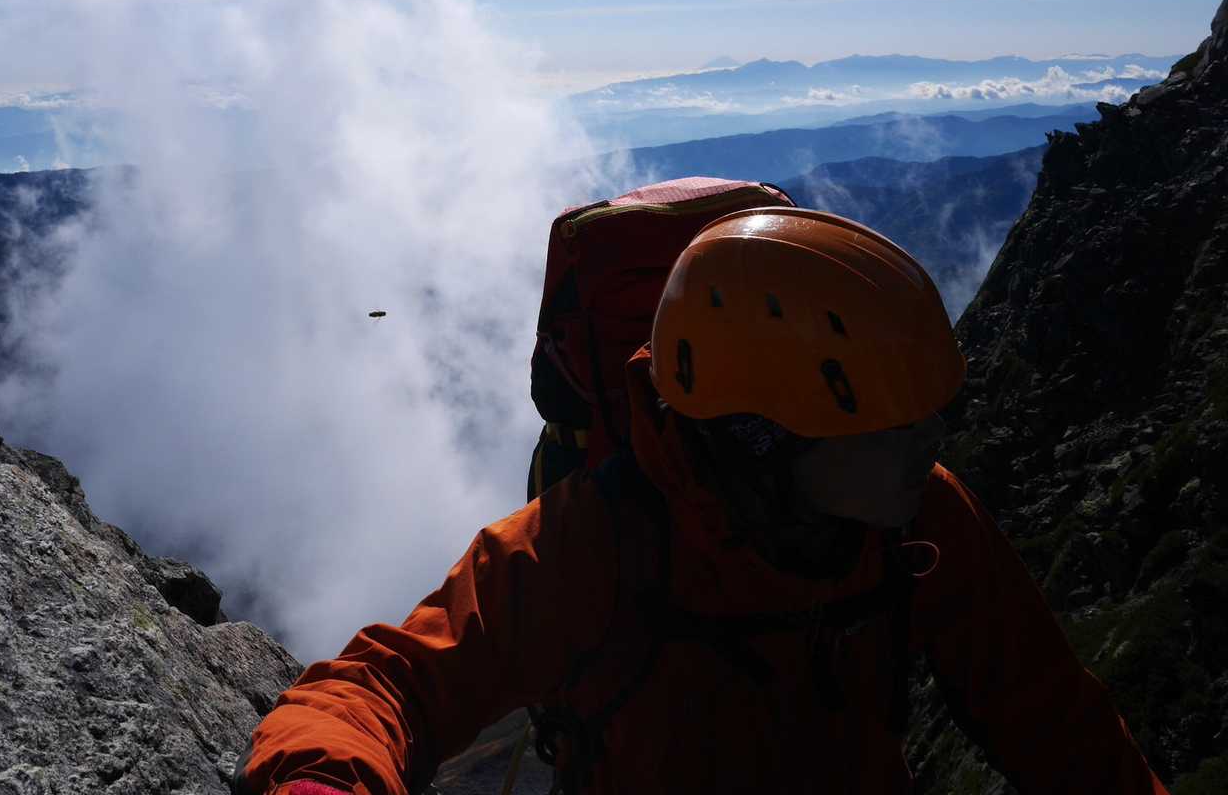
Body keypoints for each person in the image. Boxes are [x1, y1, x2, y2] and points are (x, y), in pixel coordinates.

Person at [234, 208, 1169, 795]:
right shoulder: (591, 542)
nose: (929, 441)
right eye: (885, 423)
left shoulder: (919, 518)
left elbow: (1060, 726)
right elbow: (379, 686)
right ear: (763, 435)